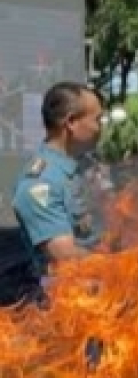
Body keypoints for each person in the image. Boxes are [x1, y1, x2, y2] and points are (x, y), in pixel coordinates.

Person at [12, 82, 105, 285]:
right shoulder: (39, 183)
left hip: (104, 293)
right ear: (71, 122)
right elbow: (65, 256)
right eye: (97, 119)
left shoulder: (82, 168)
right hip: (70, 305)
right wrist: (127, 262)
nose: (101, 127)